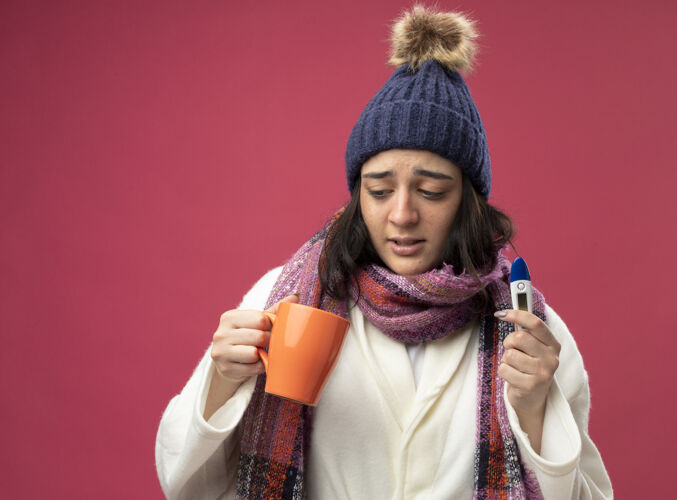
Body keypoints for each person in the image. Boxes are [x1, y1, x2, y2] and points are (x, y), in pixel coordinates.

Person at [155, 6, 613, 499]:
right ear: (357, 196)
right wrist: (223, 383)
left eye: (431, 192)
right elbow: (184, 485)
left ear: (468, 201)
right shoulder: (283, 298)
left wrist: (537, 411)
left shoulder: (531, 335)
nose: (401, 214)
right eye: (378, 191)